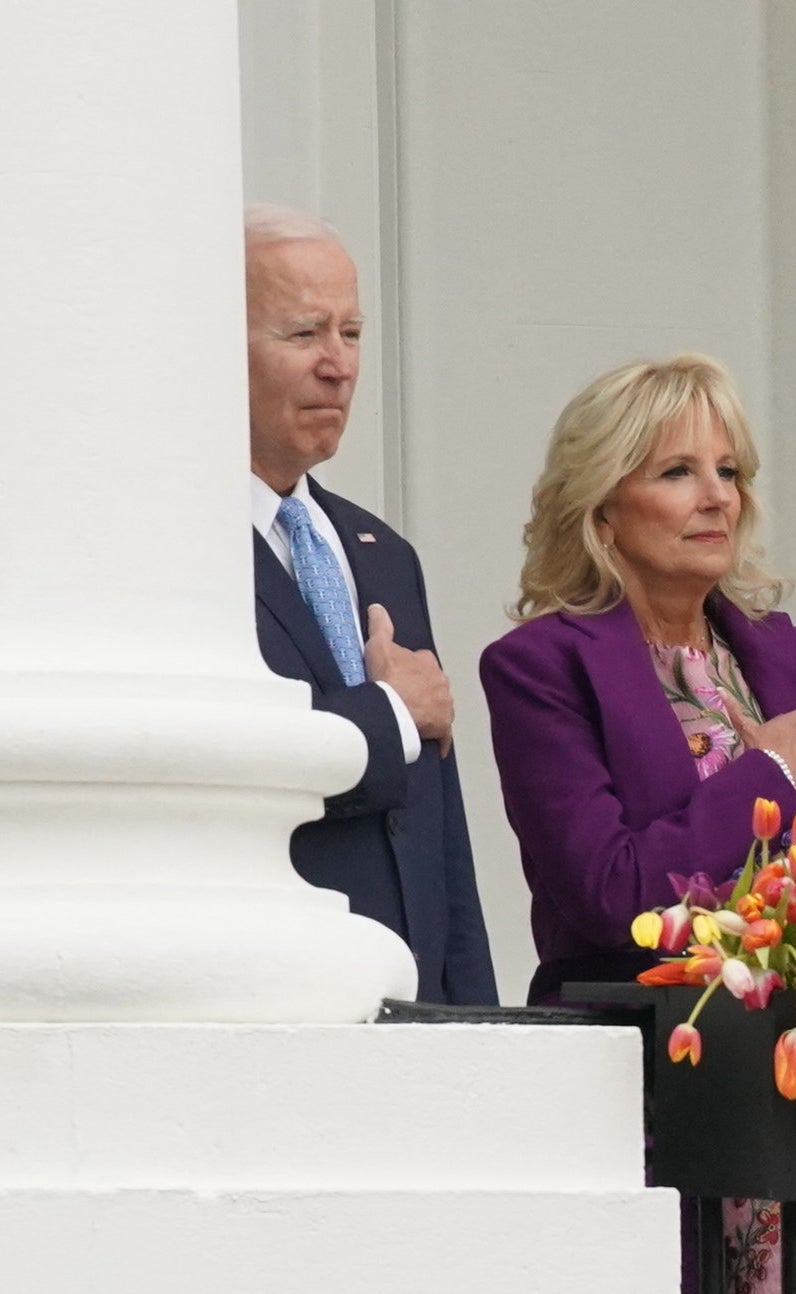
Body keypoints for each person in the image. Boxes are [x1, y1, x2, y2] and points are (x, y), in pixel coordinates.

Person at [480, 355, 796, 1294]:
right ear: (602, 506)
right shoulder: (541, 669)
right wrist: (757, 772)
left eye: (730, 472)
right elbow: (610, 893)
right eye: (677, 473)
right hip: (657, 1085)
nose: (715, 497)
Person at [245, 203, 497, 1006]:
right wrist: (389, 717)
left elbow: (439, 838)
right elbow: (236, 766)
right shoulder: (177, 561)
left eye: (351, 334)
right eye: (303, 334)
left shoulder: (382, 553)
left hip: (414, 1019)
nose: (338, 365)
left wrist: (476, 1026)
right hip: (273, 1004)